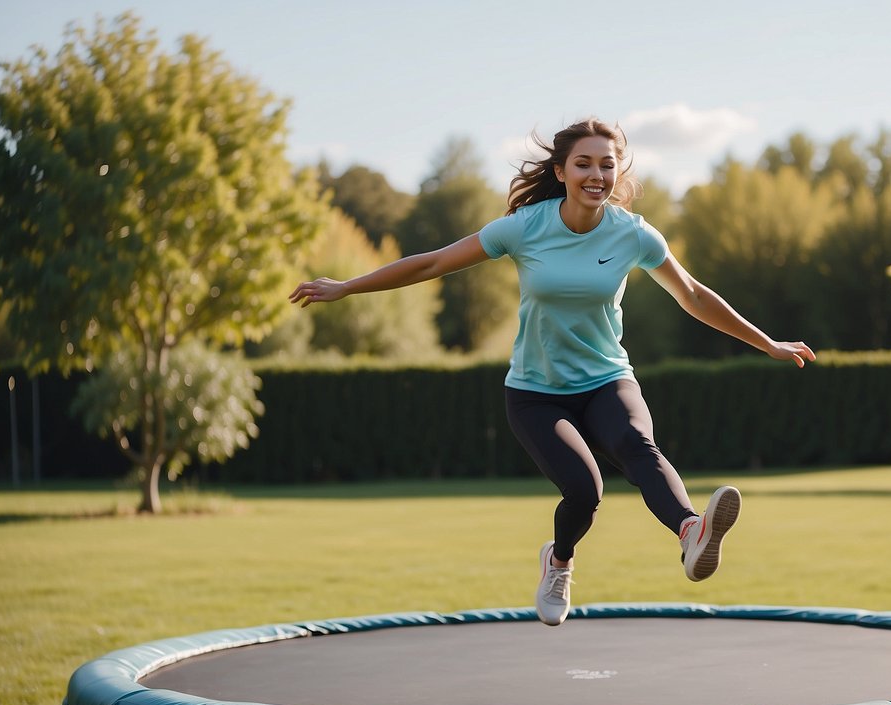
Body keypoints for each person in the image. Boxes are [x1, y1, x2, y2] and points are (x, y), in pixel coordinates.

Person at [289, 118, 815, 626]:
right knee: (585, 492)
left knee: (637, 445)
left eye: (607, 165)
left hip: (607, 379)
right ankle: (559, 562)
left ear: (618, 173)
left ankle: (691, 531)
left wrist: (766, 342)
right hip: (536, 394)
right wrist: (347, 287)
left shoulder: (633, 235)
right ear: (561, 172)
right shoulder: (524, 229)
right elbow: (431, 263)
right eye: (583, 164)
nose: (597, 175)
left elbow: (693, 295)